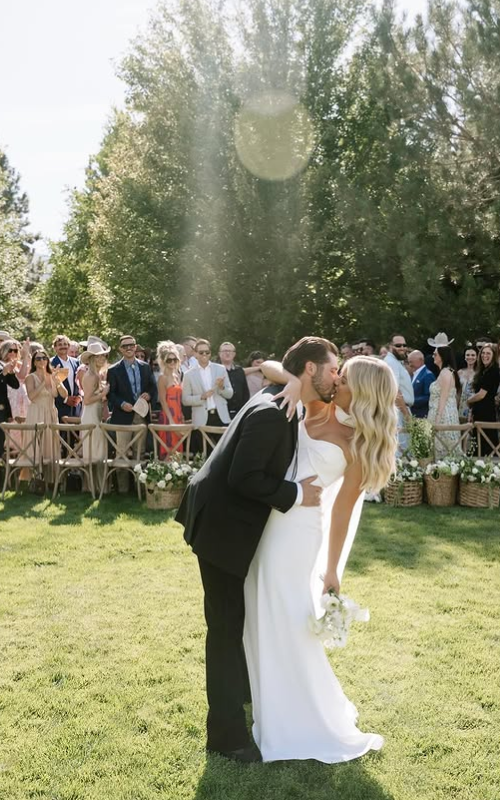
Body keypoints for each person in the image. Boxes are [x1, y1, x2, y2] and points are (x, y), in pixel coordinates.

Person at [175, 336, 338, 763]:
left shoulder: (283, 394)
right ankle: (226, 737)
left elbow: (271, 365)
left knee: (234, 623)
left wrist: (286, 377)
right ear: (309, 371)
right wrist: (296, 494)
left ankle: (244, 699)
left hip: (221, 519)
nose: (336, 378)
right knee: (226, 632)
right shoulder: (272, 412)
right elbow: (244, 478)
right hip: (220, 529)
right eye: (332, 369)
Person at [243, 354, 398, 763]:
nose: (335, 375)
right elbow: (269, 365)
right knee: (259, 606)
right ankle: (267, 697)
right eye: (336, 370)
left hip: (297, 533)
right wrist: (293, 383)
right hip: (270, 516)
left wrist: (331, 570)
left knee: (286, 616)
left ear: (359, 389)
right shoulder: (318, 403)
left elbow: (342, 513)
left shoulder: (359, 444)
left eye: (343, 375)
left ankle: (301, 716)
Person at [107, 335, 157, 492]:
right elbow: (111, 394)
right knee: (121, 453)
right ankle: (122, 490)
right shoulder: (113, 370)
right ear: (120, 349)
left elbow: (152, 387)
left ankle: (139, 489)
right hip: (122, 416)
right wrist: (122, 404)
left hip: (140, 415)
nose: (129, 348)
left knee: (139, 453)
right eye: (125, 346)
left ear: (136, 347)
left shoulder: (145, 367)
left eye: (131, 345)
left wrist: (148, 395)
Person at [25, 349, 68, 483]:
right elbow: (31, 396)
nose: (42, 361)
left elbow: (63, 395)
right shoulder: (30, 377)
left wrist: (57, 381)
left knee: (51, 445)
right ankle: (36, 479)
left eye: (44, 358)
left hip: (51, 413)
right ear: (34, 362)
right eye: (38, 359)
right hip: (36, 412)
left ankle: (51, 480)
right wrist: (44, 381)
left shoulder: (53, 375)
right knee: (37, 446)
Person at [80, 337, 111, 493]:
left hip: (97, 412)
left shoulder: (98, 374)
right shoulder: (90, 376)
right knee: (94, 451)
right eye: (98, 356)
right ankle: (92, 487)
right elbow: (86, 400)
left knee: (100, 450)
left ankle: (100, 487)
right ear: (92, 358)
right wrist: (103, 393)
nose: (101, 358)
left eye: (103, 355)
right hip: (91, 414)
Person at [181, 339, 233, 428]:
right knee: (202, 442)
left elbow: (230, 394)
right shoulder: (188, 375)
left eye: (207, 352)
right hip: (200, 420)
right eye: (201, 352)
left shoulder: (221, 369)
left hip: (221, 417)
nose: (204, 354)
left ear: (210, 353)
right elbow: (185, 400)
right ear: (195, 354)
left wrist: (222, 387)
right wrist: (202, 397)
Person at [426, 333, 461, 457]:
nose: (433, 356)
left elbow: (443, 399)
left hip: (443, 415)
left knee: (444, 448)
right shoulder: (446, 372)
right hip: (444, 413)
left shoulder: (446, 373)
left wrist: (437, 421)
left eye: (435, 354)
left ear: (442, 355)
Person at [467, 343, 500, 456]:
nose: (485, 355)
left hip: (487, 411)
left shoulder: (494, 371)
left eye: (488, 353)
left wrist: (468, 401)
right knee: (478, 442)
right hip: (478, 410)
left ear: (493, 355)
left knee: (487, 443)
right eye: (483, 353)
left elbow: (481, 394)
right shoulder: (482, 371)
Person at [384, 334, 414, 452]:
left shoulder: (396, 361)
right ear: (390, 346)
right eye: (398, 345)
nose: (402, 347)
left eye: (404, 345)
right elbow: (395, 391)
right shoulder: (391, 362)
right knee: (402, 452)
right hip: (398, 411)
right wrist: (406, 415)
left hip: (400, 409)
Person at [156, 340, 184, 456]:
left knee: (179, 449)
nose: (172, 362)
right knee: (168, 447)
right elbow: (162, 400)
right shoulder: (162, 378)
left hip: (178, 414)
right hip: (168, 416)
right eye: (169, 360)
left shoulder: (177, 376)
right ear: (163, 362)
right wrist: (171, 420)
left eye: (174, 359)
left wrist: (181, 415)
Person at [218, 341, 250, 419]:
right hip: (222, 413)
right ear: (219, 354)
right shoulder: (216, 371)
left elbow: (245, 392)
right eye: (225, 351)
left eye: (230, 351)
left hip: (239, 412)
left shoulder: (239, 370)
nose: (227, 353)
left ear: (234, 354)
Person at [408, 350, 436, 418]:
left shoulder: (428, 375)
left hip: (422, 415)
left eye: (411, 362)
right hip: (414, 414)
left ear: (421, 360)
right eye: (409, 362)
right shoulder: (414, 374)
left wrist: (411, 401)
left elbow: (429, 396)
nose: (410, 365)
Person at [458, 346, 478, 422]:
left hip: (474, 404)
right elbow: (458, 391)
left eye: (473, 355)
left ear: (477, 357)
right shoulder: (460, 372)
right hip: (461, 405)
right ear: (464, 357)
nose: (470, 357)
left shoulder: (479, 373)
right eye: (468, 355)